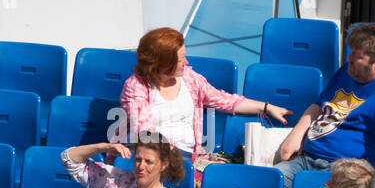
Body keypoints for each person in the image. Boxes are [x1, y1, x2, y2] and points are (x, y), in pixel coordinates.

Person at [273, 23, 375, 188]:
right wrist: (295, 135)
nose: (349, 58)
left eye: (356, 56)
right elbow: (319, 105)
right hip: (308, 159)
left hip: (351, 173)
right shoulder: (349, 71)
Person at [119, 27, 291, 165]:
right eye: (181, 60)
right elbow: (145, 133)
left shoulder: (189, 78)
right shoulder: (136, 86)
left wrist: (266, 107)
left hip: (185, 158)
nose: (186, 63)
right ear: (163, 64)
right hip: (151, 159)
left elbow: (224, 100)